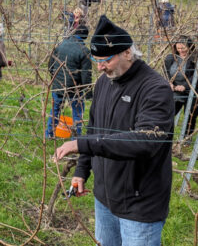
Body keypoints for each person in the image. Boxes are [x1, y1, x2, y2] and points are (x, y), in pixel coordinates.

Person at [55, 15, 174, 246]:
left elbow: (145, 142)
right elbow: (93, 129)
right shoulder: (103, 82)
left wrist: (80, 144)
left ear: (127, 53)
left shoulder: (155, 89)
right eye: (95, 59)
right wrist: (81, 170)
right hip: (105, 199)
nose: (99, 67)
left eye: (106, 60)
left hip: (140, 204)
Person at [46, 25, 92, 138]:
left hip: (58, 85)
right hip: (74, 87)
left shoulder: (61, 44)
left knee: (55, 110)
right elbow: (86, 75)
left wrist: (55, 78)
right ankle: (75, 138)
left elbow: (50, 65)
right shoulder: (84, 51)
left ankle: (49, 134)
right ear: (85, 37)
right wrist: (89, 92)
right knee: (77, 113)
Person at [164, 35, 197, 136]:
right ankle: (165, 134)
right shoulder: (170, 58)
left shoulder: (194, 59)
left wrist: (185, 86)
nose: (181, 50)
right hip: (174, 91)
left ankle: (187, 137)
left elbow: (196, 76)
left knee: (190, 115)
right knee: (168, 113)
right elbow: (165, 72)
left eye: (183, 48)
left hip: (191, 91)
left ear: (189, 46)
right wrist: (169, 83)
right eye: (178, 48)